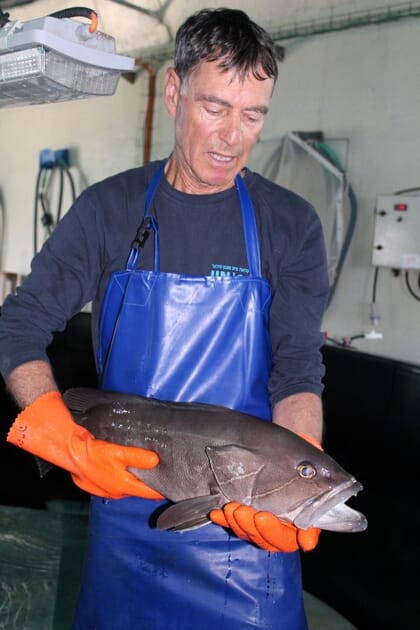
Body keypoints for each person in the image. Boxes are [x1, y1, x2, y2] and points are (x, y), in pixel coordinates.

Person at [0, 8, 329, 629]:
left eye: (252, 114)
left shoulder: (290, 225)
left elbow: (297, 370)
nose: (233, 136)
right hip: (125, 518)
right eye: (215, 108)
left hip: (244, 526)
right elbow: (17, 326)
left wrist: (299, 475)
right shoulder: (110, 209)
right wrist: (62, 437)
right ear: (174, 92)